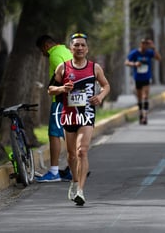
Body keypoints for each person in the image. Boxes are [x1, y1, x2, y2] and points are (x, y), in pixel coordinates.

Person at [48, 32, 110, 206]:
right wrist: (62, 89)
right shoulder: (63, 67)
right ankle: (74, 181)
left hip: (87, 113)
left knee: (82, 151)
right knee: (71, 155)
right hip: (69, 115)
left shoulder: (94, 68)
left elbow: (106, 85)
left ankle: (81, 191)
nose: (80, 48)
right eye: (76, 45)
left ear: (87, 48)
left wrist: (101, 96)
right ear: (71, 48)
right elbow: (50, 89)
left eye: (83, 45)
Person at [35, 35, 73, 182]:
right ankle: (71, 169)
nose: (42, 54)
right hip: (72, 100)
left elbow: (64, 72)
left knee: (54, 133)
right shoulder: (66, 50)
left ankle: (54, 171)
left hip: (61, 99)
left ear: (45, 46)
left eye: (41, 50)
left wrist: (61, 88)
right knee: (70, 133)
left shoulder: (54, 55)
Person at [125, 38, 161, 125]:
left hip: (146, 77)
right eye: (143, 43)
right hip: (137, 78)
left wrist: (154, 48)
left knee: (145, 97)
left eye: (146, 44)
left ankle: (145, 116)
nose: (145, 45)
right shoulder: (135, 53)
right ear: (140, 44)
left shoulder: (149, 52)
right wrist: (134, 64)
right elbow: (126, 62)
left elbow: (159, 58)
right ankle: (141, 113)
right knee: (140, 97)